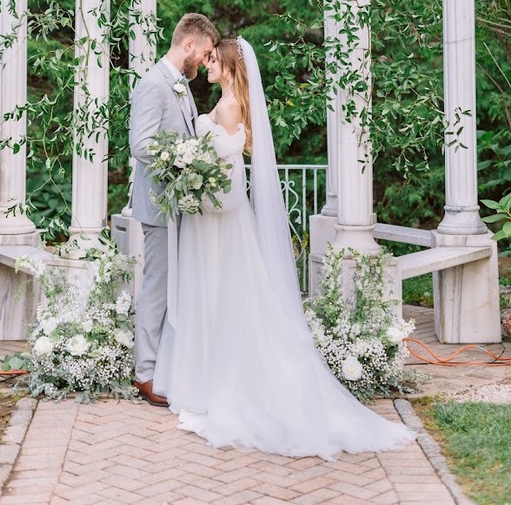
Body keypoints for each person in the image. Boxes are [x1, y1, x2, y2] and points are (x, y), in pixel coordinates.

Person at [153, 37, 415, 458]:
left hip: (219, 216)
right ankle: (208, 376)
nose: (209, 64)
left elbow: (220, 166)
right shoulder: (226, 105)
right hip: (213, 214)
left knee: (223, 293)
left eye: (215, 60)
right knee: (220, 294)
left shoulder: (230, 107)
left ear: (231, 67)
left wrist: (190, 166)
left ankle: (222, 382)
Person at [129, 12, 219, 406]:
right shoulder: (153, 84)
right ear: (188, 45)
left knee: (173, 289)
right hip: (158, 207)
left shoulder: (179, 84)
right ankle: (145, 373)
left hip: (176, 205)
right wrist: (184, 157)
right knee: (157, 288)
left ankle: (165, 366)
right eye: (203, 53)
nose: (204, 60)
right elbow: (142, 144)